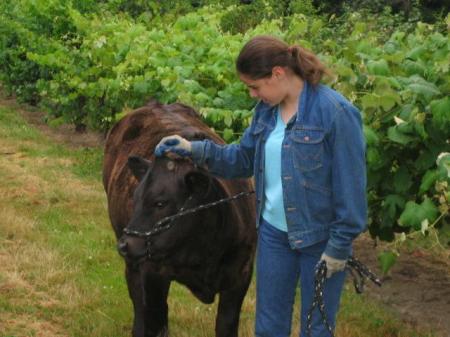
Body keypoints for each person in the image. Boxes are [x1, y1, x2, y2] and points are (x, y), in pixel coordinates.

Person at [155, 35, 367, 337]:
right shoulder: (267, 112)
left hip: (320, 241)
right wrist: (194, 149)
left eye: (255, 86)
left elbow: (351, 188)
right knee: (268, 328)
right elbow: (242, 158)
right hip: (272, 235)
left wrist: (339, 246)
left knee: (316, 328)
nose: (253, 94)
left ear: (278, 73)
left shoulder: (335, 114)